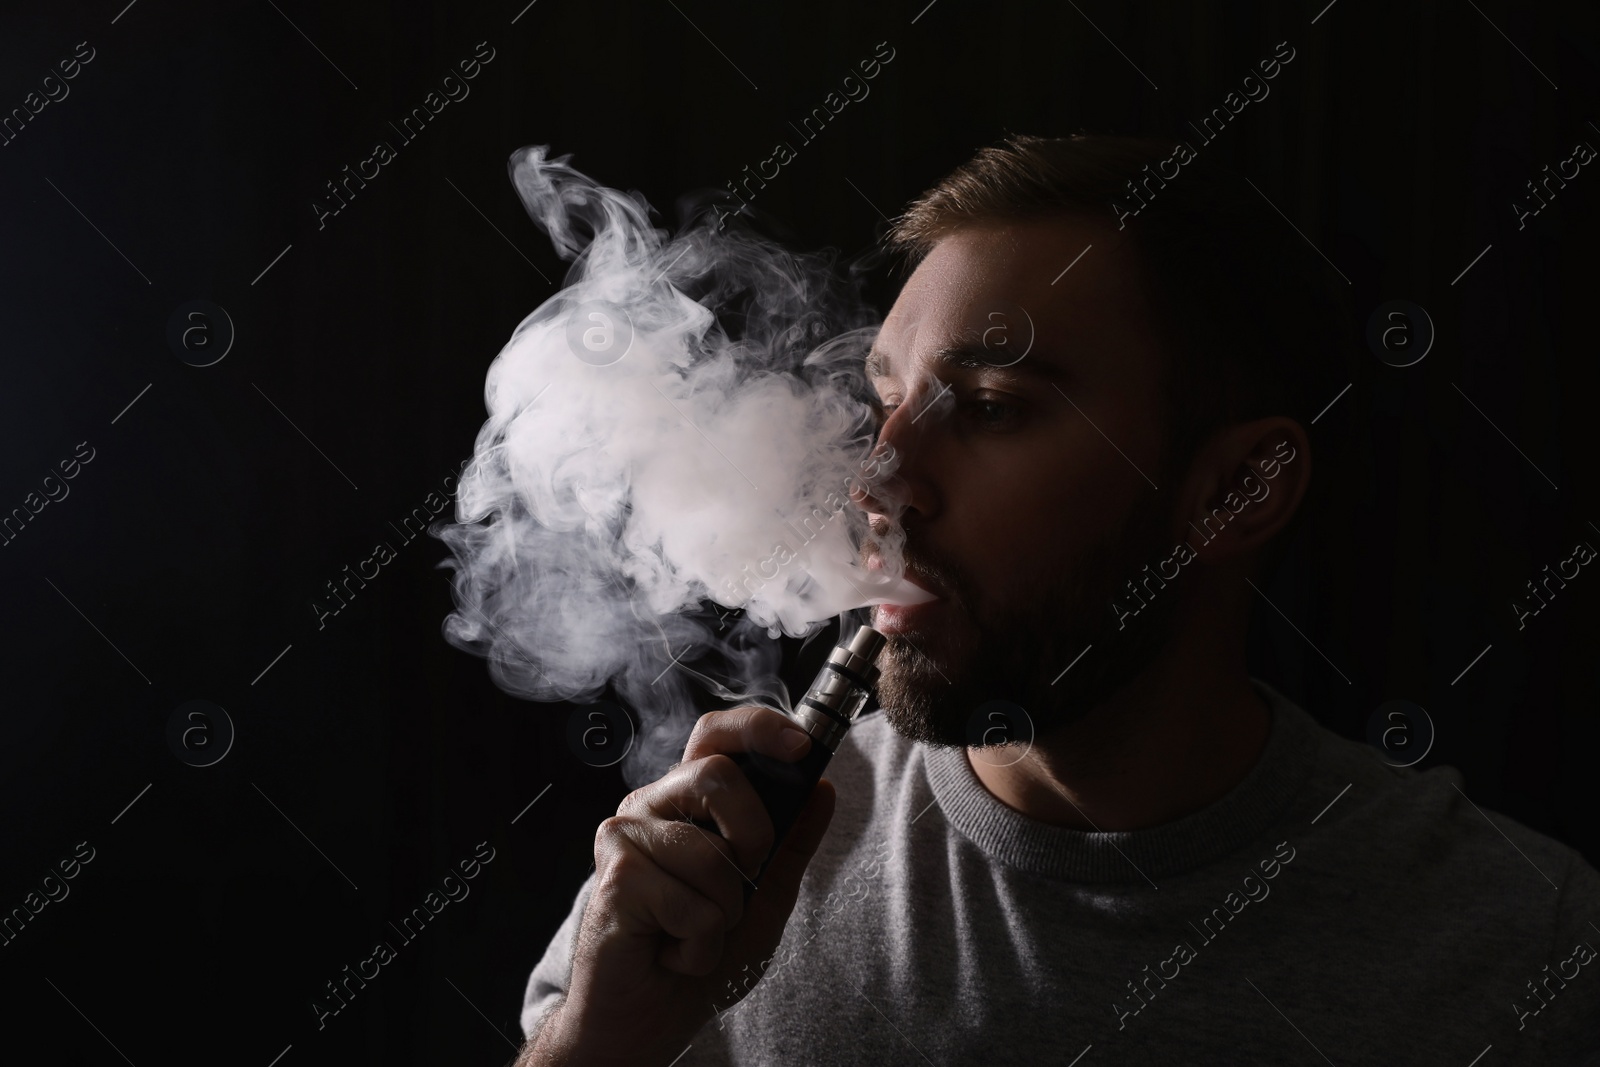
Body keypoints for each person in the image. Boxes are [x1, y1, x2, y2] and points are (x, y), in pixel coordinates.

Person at [515, 135, 1600, 1066]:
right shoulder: (713, 876)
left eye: (988, 407)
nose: (875, 484)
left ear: (1236, 490)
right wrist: (600, 1043)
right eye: (885, 398)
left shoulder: (1517, 945)